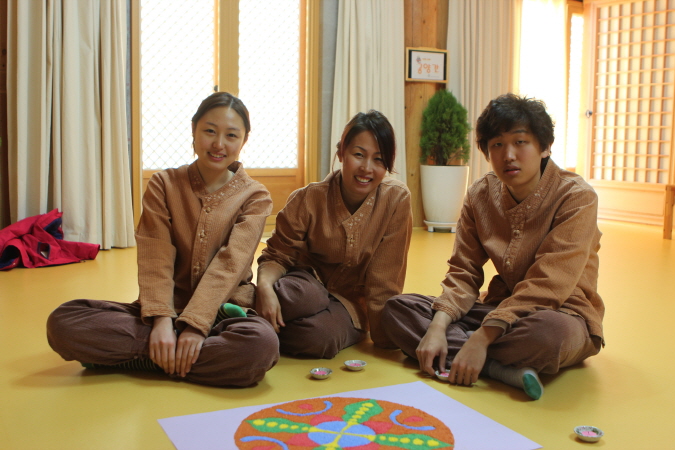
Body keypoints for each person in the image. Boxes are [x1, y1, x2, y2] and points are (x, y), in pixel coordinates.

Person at [381, 93, 605, 400]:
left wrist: (482, 338)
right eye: (497, 144)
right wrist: (437, 326)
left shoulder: (576, 197)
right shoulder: (480, 194)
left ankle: (469, 353)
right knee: (398, 309)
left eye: (520, 142)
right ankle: (499, 368)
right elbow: (463, 271)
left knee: (549, 336)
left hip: (562, 313)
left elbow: (550, 283)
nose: (508, 155)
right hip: (499, 307)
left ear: (545, 147)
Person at [47, 92, 279, 387]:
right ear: (193, 129)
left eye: (231, 135)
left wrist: (196, 325)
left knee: (260, 346)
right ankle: (173, 351)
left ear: (244, 140)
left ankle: (141, 357)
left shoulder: (255, 196)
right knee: (63, 322)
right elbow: (156, 257)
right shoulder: (163, 184)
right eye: (210, 131)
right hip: (165, 307)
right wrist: (161, 321)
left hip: (226, 310)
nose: (219, 144)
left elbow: (231, 263)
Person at [255, 110, 412, 358]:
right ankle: (254, 317)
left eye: (379, 159)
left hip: (349, 304)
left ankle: (257, 329)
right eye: (358, 155)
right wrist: (264, 286)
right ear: (341, 153)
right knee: (303, 298)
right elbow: (277, 256)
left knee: (320, 339)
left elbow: (384, 279)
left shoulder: (396, 200)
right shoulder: (307, 198)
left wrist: (386, 339)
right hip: (303, 287)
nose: (366, 168)